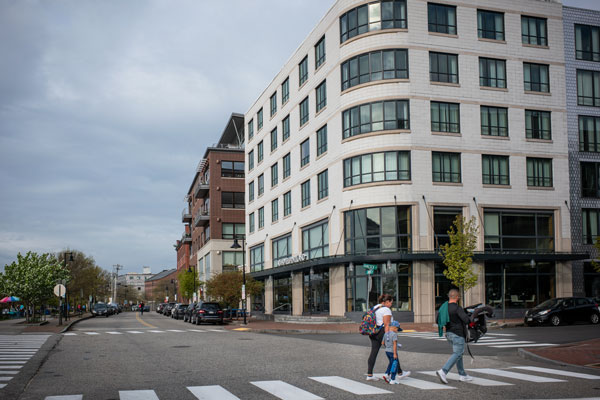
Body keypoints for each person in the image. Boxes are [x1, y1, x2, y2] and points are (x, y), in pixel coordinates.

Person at [436, 288, 473, 384]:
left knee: (458, 354)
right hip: (458, 334)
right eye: (459, 297)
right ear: (457, 297)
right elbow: (466, 320)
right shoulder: (457, 308)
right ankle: (443, 371)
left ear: (449, 296)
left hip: (448, 333)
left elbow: (438, 320)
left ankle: (462, 375)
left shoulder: (443, 307)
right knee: (457, 353)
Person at [366, 294, 393, 381]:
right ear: (387, 302)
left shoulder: (375, 307)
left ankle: (369, 374)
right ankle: (399, 373)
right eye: (391, 302)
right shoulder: (386, 309)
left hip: (373, 331)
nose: (391, 304)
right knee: (392, 351)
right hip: (382, 332)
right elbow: (386, 324)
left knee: (373, 352)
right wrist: (388, 336)